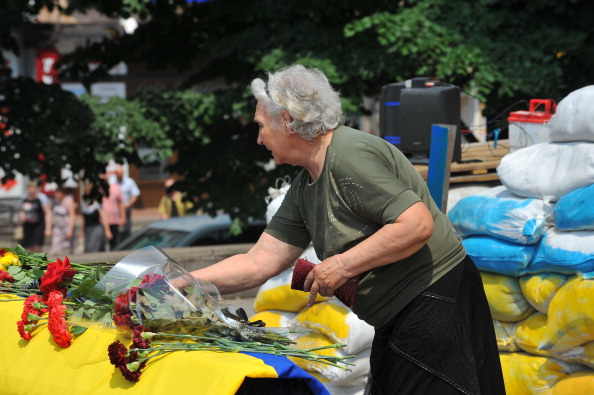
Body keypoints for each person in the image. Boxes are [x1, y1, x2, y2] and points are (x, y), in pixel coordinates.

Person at [182, 65, 506, 394]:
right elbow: (258, 263)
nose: (259, 138)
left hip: (435, 300)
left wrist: (341, 264)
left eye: (262, 126)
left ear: (287, 120)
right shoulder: (305, 186)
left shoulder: (348, 156)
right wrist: (182, 281)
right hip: (400, 313)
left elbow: (416, 224)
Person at [110, 165, 140, 243]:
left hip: (126, 207)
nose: (120, 175)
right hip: (115, 209)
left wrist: (128, 204)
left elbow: (135, 194)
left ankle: (126, 242)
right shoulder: (111, 182)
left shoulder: (129, 182)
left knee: (126, 227)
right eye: (118, 173)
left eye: (121, 173)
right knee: (115, 228)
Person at [19, 181, 52, 253]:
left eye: (33, 188)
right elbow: (21, 210)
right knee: (28, 246)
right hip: (27, 226)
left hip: (38, 225)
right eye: (30, 188)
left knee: (36, 246)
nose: (32, 190)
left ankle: (40, 262)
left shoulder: (42, 198)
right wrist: (22, 215)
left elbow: (48, 212)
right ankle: (32, 263)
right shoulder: (24, 198)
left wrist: (48, 228)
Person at [80, 181, 112, 253]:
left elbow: (104, 217)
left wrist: (107, 230)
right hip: (87, 229)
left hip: (96, 229)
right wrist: (81, 232)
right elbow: (83, 220)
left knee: (93, 248)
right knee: (88, 249)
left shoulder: (97, 203)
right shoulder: (85, 203)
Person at [100, 174, 126, 250]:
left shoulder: (115, 187)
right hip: (101, 221)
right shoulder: (97, 189)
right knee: (101, 244)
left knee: (114, 244)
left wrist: (123, 217)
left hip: (114, 220)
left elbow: (121, 203)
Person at [49, 187, 76, 257]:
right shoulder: (56, 201)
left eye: (58, 193)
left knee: (66, 249)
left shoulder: (69, 200)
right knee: (55, 248)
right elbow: (52, 215)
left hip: (66, 227)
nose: (56, 195)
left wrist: (70, 229)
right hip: (57, 227)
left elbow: (72, 215)